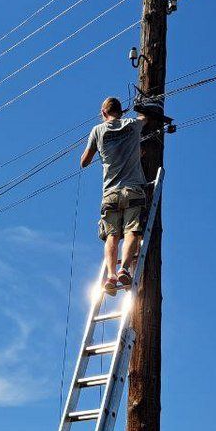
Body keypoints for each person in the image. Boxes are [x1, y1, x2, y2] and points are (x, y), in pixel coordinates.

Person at [81, 96, 148, 294]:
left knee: (112, 235)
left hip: (110, 192)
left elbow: (84, 161)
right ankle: (124, 269)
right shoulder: (133, 125)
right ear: (121, 111)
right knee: (132, 231)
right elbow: (145, 118)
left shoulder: (97, 130)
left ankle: (110, 274)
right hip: (133, 189)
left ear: (103, 113)